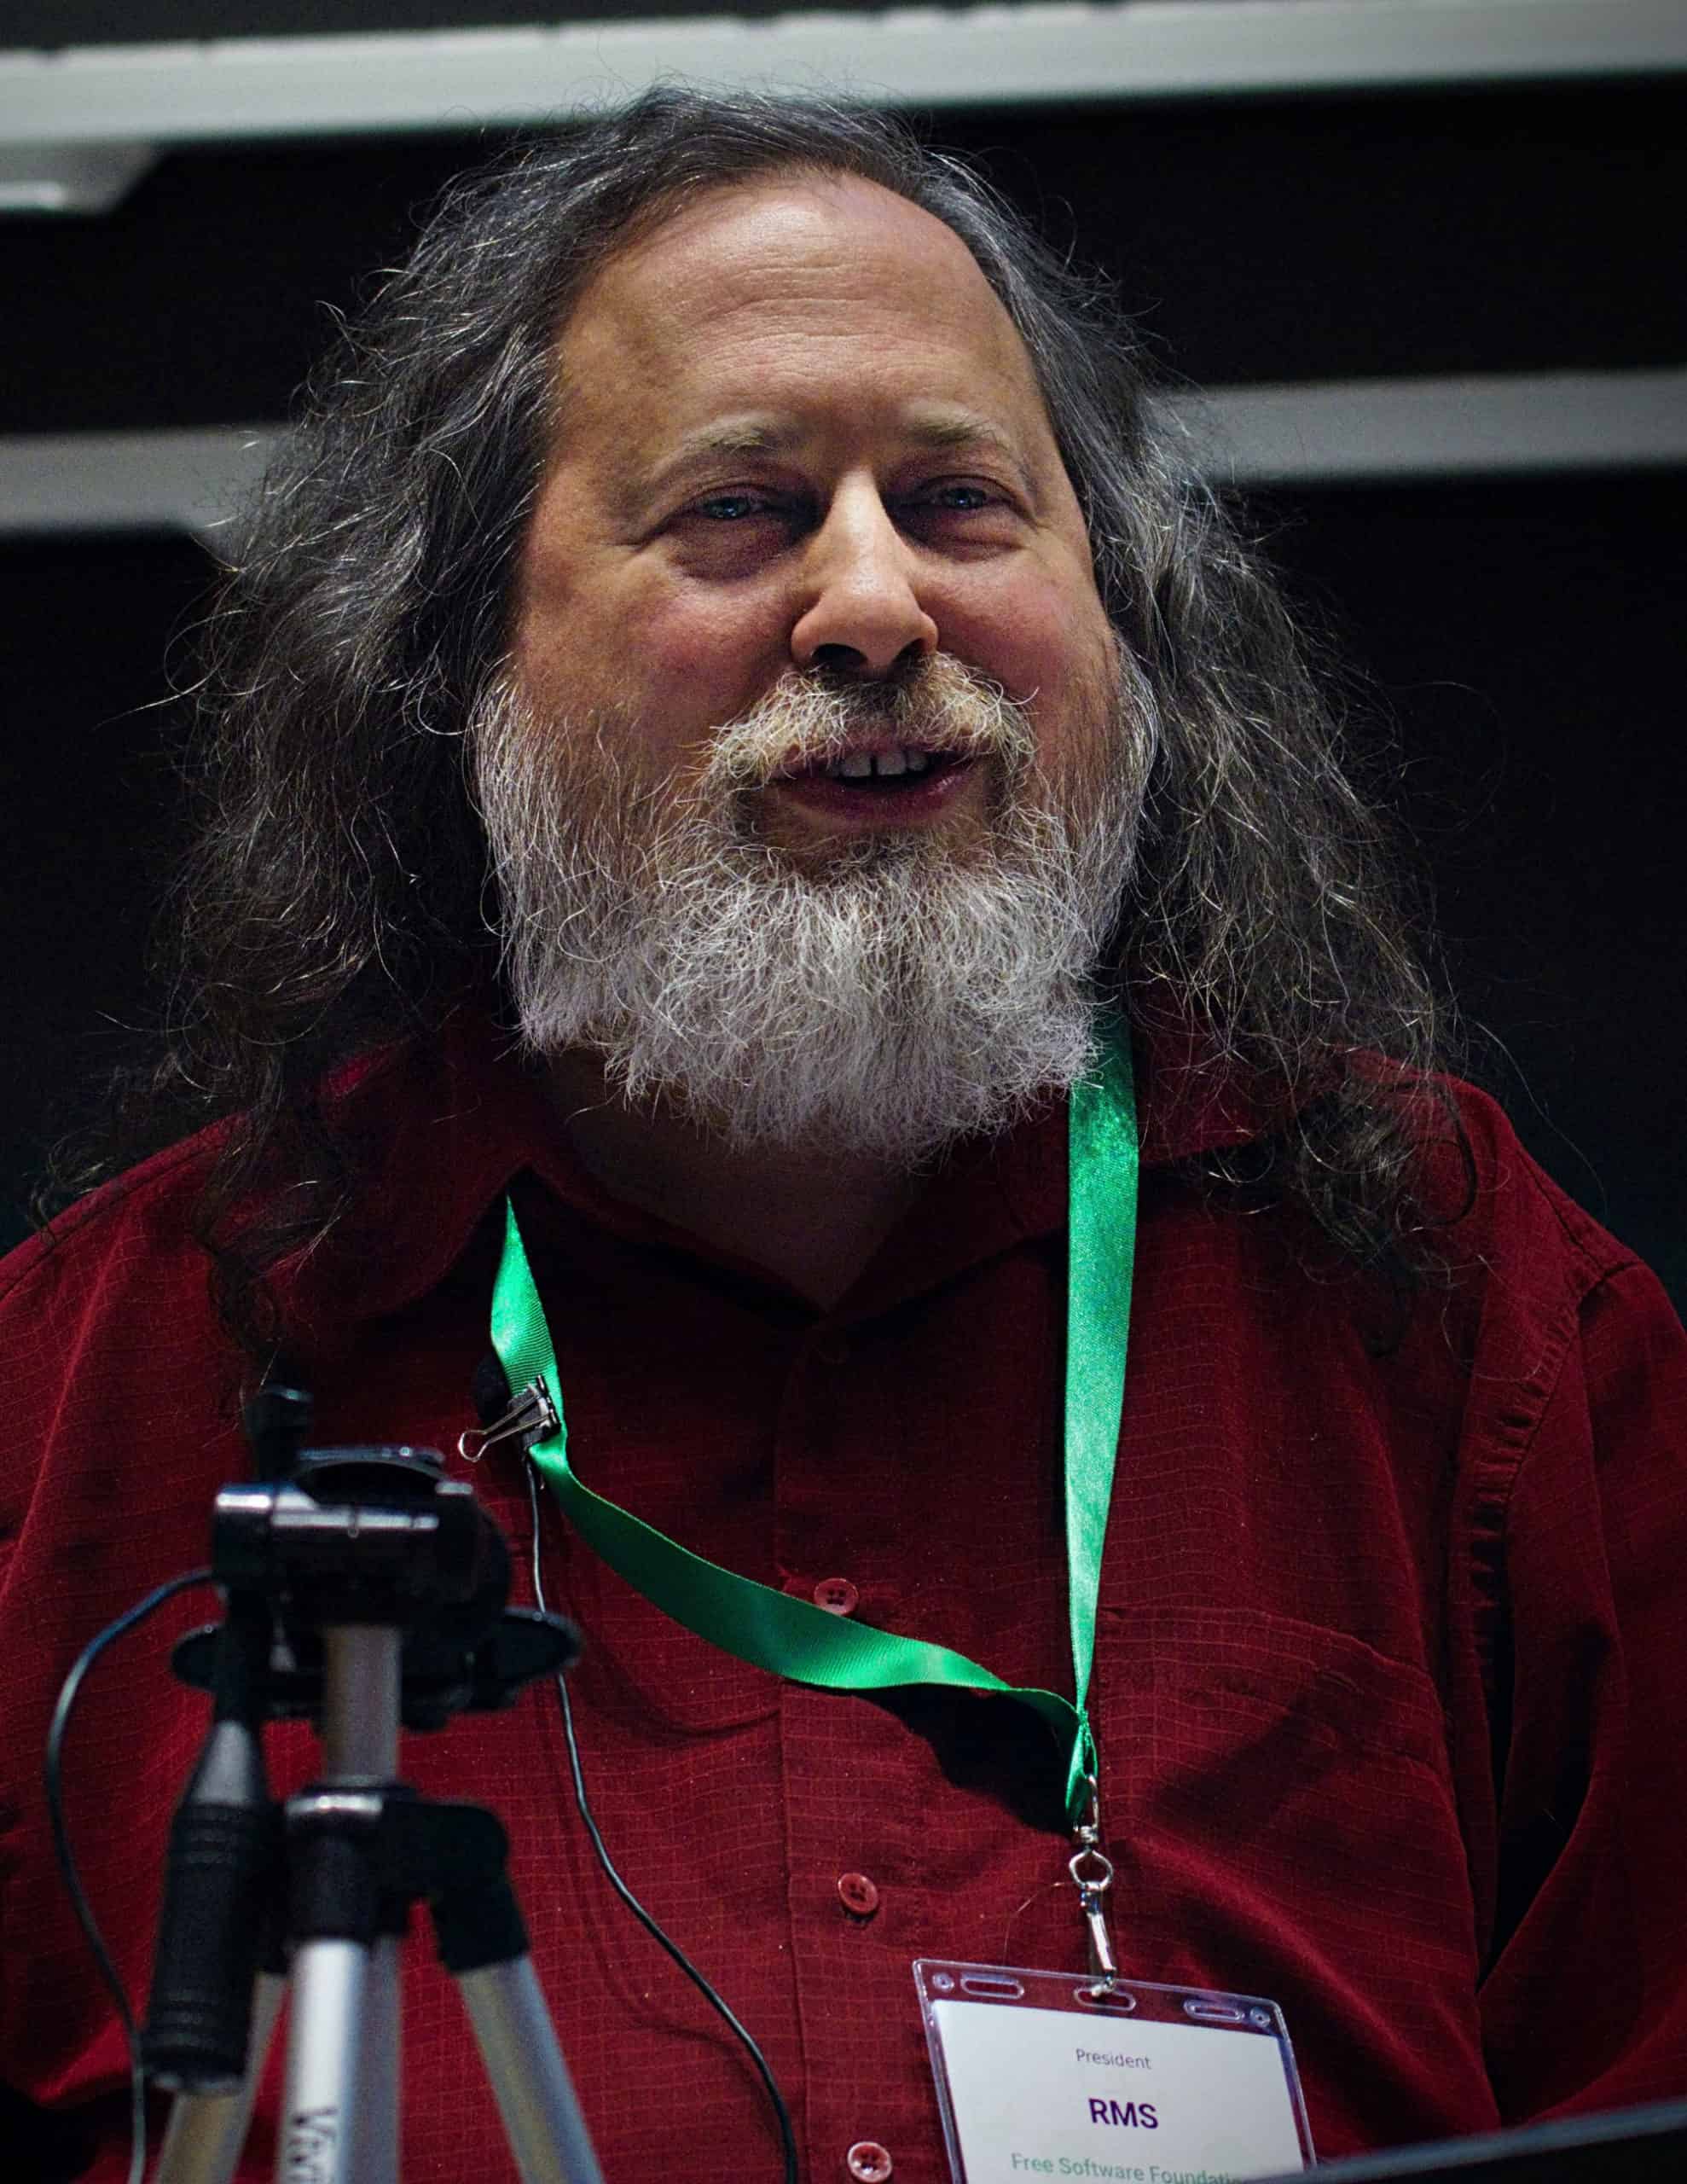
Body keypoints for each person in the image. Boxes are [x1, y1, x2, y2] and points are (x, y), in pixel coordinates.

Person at [2, 86, 1684, 2184]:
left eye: (965, 500)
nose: (872, 605)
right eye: (739, 508)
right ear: (457, 669)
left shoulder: (1456, 1303)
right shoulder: (90, 1390)